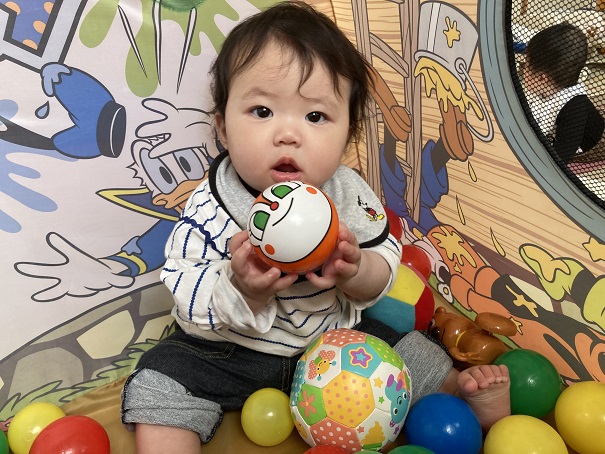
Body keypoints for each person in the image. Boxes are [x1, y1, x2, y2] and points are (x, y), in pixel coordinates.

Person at [121, 3, 510, 452]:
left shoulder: (348, 194)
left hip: (338, 347)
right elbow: (183, 283)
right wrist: (242, 290)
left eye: (315, 117)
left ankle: (470, 401)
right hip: (230, 350)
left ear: (348, 136)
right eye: (262, 111)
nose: (288, 134)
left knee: (418, 356)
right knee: (159, 382)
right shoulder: (212, 202)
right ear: (223, 129)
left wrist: (356, 270)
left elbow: (385, 263)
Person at [524, 22, 604, 165]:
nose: (523, 71)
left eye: (526, 66)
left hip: (591, 144)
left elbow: (560, 159)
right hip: (560, 129)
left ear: (542, 78)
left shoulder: (573, 107)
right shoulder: (539, 87)